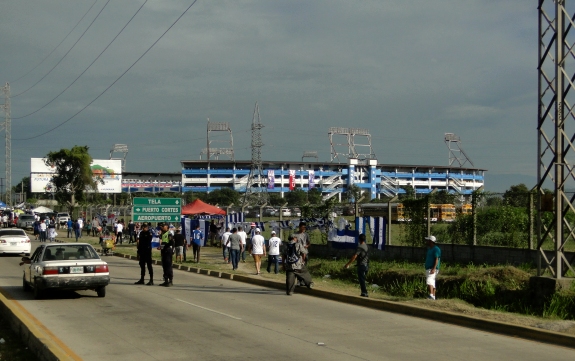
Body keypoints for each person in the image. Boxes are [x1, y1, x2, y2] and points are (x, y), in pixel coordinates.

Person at [424, 235, 441, 300]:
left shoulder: (436, 249)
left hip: (432, 268)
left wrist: (434, 268)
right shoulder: (429, 249)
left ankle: (431, 295)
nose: (426, 241)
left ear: (431, 241)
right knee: (432, 282)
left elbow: (437, 259)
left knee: (429, 281)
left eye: (428, 240)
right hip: (429, 268)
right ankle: (433, 296)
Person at [158, 223, 174, 287]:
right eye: (161, 226)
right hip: (164, 252)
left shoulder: (169, 234)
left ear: (167, 227)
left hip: (168, 251)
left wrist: (165, 246)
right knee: (164, 266)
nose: (161, 227)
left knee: (168, 266)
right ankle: (166, 280)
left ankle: (170, 280)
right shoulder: (162, 234)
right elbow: (162, 243)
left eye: (163, 226)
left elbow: (171, 242)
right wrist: (161, 248)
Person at [294, 221, 310, 286]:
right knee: (298, 268)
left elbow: (309, 243)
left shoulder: (306, 235)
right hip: (298, 253)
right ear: (299, 227)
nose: (304, 229)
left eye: (305, 227)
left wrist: (307, 246)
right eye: (303, 227)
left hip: (305, 252)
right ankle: (299, 281)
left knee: (303, 267)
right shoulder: (295, 234)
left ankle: (303, 281)